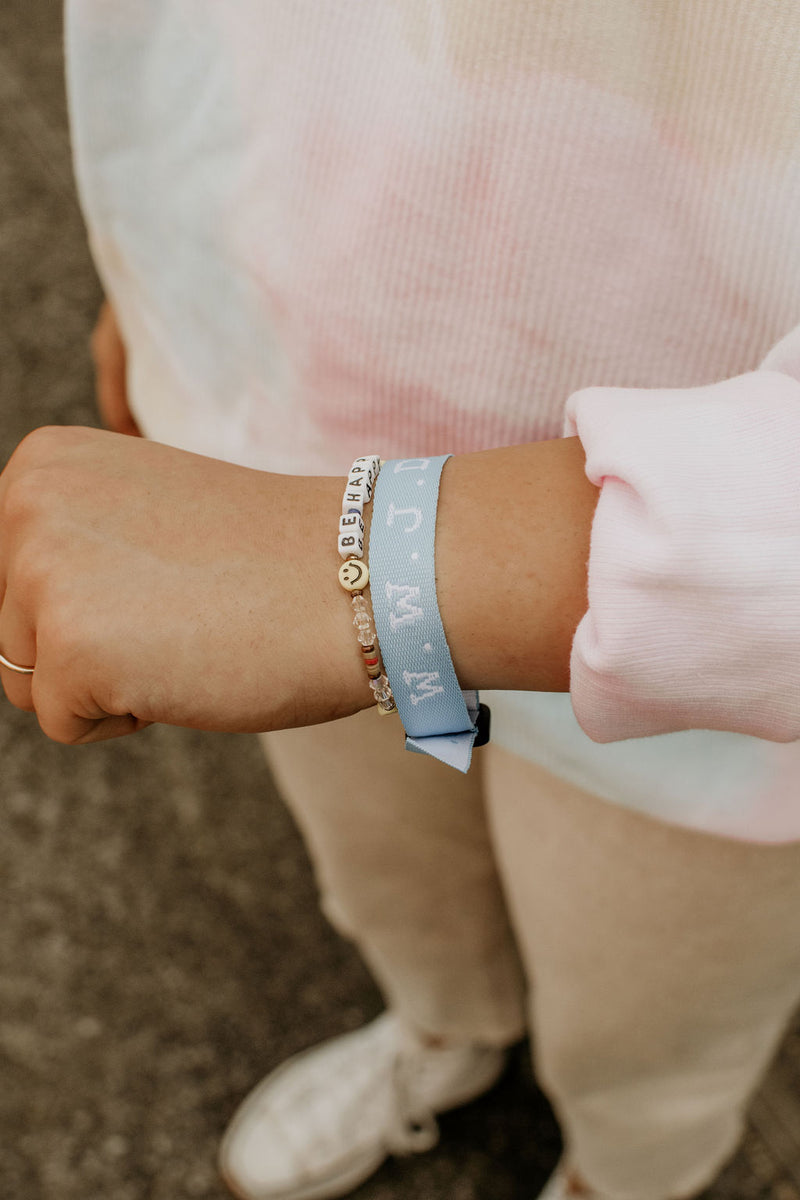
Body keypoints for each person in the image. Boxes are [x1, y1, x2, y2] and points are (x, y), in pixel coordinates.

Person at [3, 3, 800, 1198]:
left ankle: (622, 1172)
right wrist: (164, 250)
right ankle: (444, 1031)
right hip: (291, 417)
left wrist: (379, 560)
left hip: (735, 620)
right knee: (387, 876)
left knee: (646, 1026)